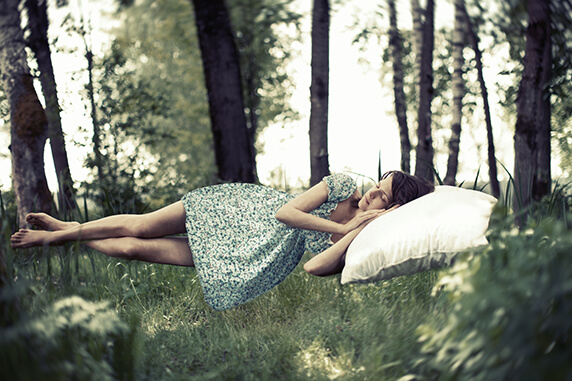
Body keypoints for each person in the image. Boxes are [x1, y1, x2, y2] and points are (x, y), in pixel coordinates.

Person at [11, 171, 434, 310]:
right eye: (379, 184)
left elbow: (320, 267)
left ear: (390, 209)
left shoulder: (367, 232)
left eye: (382, 196)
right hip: (239, 211)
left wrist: (359, 228)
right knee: (141, 227)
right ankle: (59, 231)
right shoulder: (343, 185)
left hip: (251, 253)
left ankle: (64, 235)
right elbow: (286, 213)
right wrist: (343, 226)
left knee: (134, 249)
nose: (371, 193)